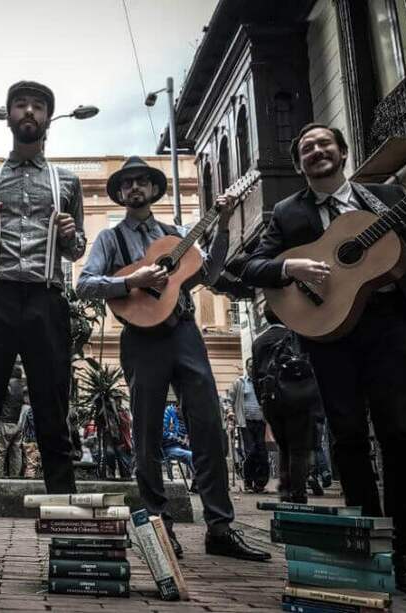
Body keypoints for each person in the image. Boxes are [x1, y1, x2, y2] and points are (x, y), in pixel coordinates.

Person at [240, 122, 406, 595]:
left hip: (388, 327)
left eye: (324, 144)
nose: (316, 151)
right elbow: (251, 267)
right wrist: (290, 265)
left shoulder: (381, 196)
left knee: (399, 433)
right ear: (300, 162)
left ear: (343, 152)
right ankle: (370, 546)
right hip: (329, 336)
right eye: (306, 148)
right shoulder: (287, 212)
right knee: (347, 438)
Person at [77, 156, 269, 562]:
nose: (134, 188)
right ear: (120, 192)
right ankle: (159, 525)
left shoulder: (175, 234)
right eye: (127, 183)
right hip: (141, 337)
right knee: (146, 434)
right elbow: (85, 285)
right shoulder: (111, 240)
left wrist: (222, 223)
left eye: (141, 181)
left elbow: (211, 272)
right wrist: (132, 280)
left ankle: (219, 526)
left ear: (151, 189)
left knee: (209, 427)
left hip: (184, 333)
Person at [0, 80, 84, 567]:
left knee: (53, 417)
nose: (29, 112)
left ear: (48, 118)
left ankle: (68, 535)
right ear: (8, 117)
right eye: (20, 105)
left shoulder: (67, 181)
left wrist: (71, 236)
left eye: (38, 106)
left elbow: (78, 250)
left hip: (47, 302)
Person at [251, 308, 320, 504]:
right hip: (297, 398)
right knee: (298, 448)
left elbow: (255, 376)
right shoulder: (295, 336)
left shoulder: (259, 342)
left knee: (283, 446)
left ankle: (285, 490)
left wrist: (263, 404)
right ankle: (297, 493)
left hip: (271, 400)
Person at [228, 360, 270, 493]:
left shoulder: (262, 382)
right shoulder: (240, 382)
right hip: (245, 423)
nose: (253, 368)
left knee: (262, 453)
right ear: (246, 367)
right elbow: (229, 400)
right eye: (251, 366)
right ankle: (248, 482)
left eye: (255, 366)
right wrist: (230, 411)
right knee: (251, 452)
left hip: (261, 422)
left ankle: (260, 484)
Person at [0, 366, 26, 477]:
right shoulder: (23, 387)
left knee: (0, 452)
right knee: (16, 453)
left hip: (5, 422)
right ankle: (15, 477)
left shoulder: (7, 385)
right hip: (18, 423)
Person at [162, 403, 196, 491]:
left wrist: (187, 438)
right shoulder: (167, 413)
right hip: (169, 447)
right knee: (191, 455)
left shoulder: (185, 416)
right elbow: (164, 434)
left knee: (200, 454)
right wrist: (179, 439)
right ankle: (199, 483)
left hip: (182, 446)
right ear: (177, 407)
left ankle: (197, 483)